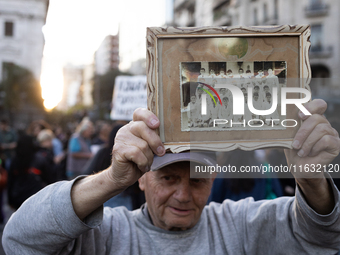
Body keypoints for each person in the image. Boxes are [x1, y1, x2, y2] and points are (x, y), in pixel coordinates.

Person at [3, 100, 340, 254]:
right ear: (142, 179)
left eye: (197, 181)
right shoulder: (108, 234)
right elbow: (18, 241)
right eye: (168, 179)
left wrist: (310, 178)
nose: (182, 195)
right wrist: (112, 178)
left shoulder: (240, 225)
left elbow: (322, 237)